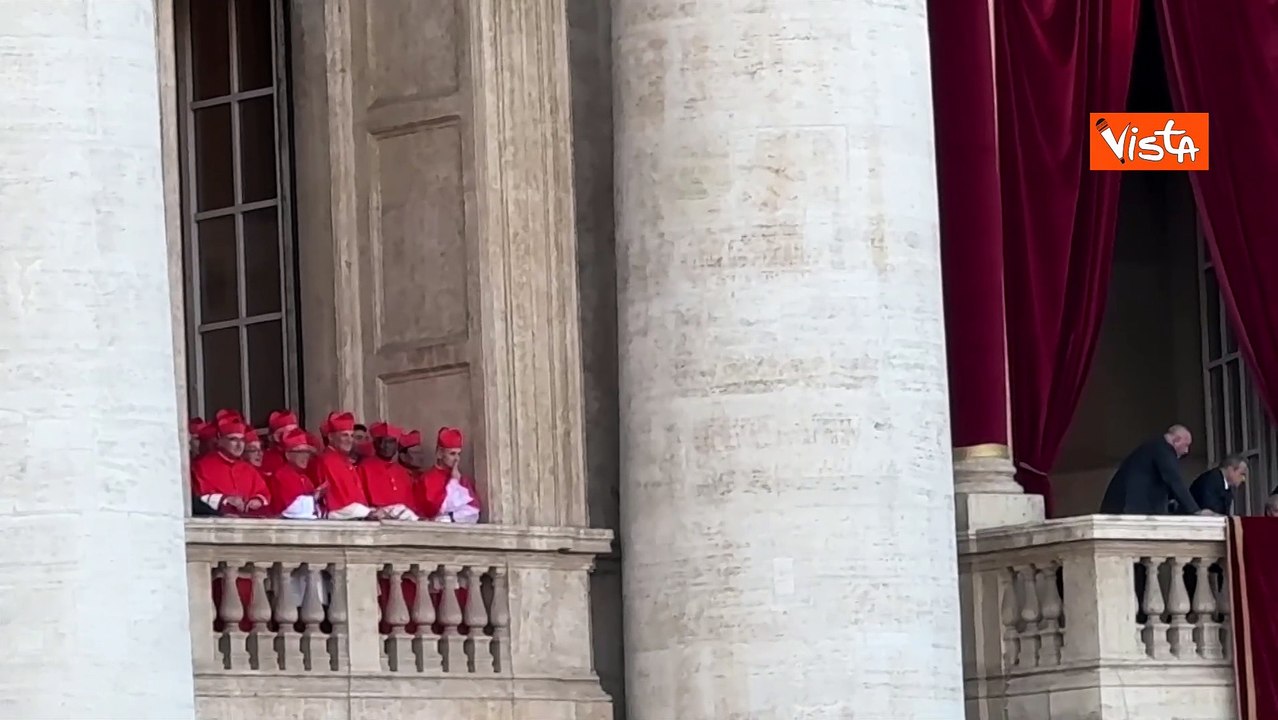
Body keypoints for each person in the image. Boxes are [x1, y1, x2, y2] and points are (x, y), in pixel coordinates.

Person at [1099, 425, 1212, 516]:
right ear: (1176, 440)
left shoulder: (1152, 447)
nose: (1186, 451)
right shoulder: (1163, 450)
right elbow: (1174, 480)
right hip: (1131, 510)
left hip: (1123, 508)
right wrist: (1195, 511)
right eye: (1186, 445)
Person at [191, 416, 271, 516]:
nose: (239, 445)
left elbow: (264, 493)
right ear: (220, 440)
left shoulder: (248, 469)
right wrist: (225, 499)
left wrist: (257, 500)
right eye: (233, 439)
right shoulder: (202, 466)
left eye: (242, 440)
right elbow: (198, 498)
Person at [314, 411, 373, 519]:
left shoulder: (345, 461)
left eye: (351, 436)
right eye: (344, 435)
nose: (349, 440)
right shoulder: (325, 460)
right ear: (331, 437)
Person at [418, 427, 481, 523]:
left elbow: (474, 510)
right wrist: (453, 482)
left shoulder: (462, 480)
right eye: (452, 454)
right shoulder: (426, 479)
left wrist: (456, 481)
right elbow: (437, 509)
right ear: (439, 453)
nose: (457, 459)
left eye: (459, 454)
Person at [360, 422, 420, 520]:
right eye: (381, 441)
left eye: (390, 442)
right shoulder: (363, 468)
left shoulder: (403, 472)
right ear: (374, 444)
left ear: (396, 445)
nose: (385, 446)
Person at [266, 428, 321, 519]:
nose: (305, 456)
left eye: (306, 452)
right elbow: (292, 510)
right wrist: (314, 497)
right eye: (300, 452)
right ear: (288, 455)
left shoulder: (305, 478)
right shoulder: (281, 476)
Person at [261, 409, 301, 474]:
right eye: (289, 433)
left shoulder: (303, 455)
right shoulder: (268, 460)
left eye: (295, 432)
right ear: (275, 437)